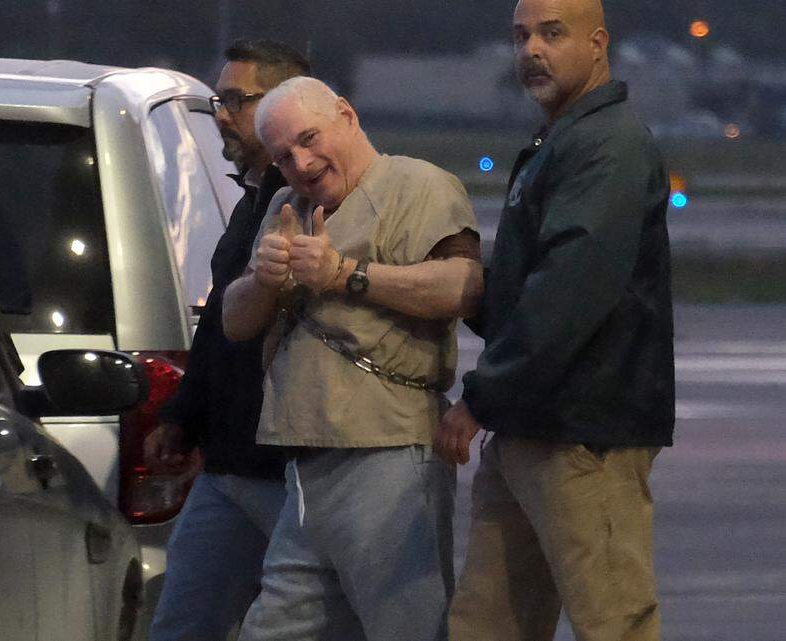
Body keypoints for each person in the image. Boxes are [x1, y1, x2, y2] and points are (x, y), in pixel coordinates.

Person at [435, 0, 675, 639]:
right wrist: (463, 284)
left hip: (582, 436)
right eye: (520, 36)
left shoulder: (608, 146)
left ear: (598, 44)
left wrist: (480, 397)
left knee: (613, 622)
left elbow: (566, 295)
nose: (530, 50)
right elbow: (528, 292)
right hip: (529, 429)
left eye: (551, 33)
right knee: (486, 626)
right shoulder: (563, 140)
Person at [223, 76, 482, 641]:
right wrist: (264, 281)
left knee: (406, 624)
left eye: (310, 138)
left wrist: (345, 275)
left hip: (388, 451)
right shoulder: (284, 206)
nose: (302, 162)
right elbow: (235, 322)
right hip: (306, 462)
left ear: (347, 115)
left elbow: (462, 286)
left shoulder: (419, 186)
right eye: (285, 155)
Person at [143, 39, 310, 641]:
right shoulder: (252, 203)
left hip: (290, 475)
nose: (221, 113)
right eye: (221, 98)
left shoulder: (319, 201)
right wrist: (183, 415)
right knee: (182, 622)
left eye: (238, 99)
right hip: (229, 466)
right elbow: (219, 327)